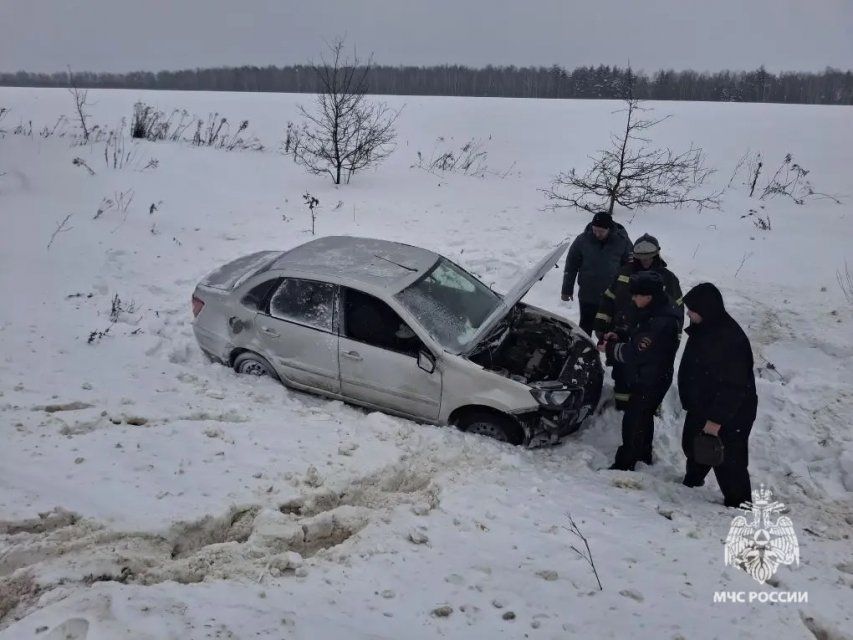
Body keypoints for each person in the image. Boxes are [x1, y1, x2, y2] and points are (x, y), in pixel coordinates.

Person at [678, 283, 757, 508]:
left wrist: (716, 420)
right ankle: (692, 480)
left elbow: (734, 386)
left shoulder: (730, 339)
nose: (688, 314)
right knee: (695, 445)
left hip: (731, 412)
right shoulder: (704, 328)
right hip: (702, 405)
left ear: (706, 309)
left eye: (692, 310)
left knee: (730, 459)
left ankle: (739, 503)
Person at [598, 271, 680, 470]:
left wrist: (609, 348)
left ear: (648, 296)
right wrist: (618, 334)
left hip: (652, 378)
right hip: (649, 374)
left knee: (634, 421)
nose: (633, 298)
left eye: (636, 295)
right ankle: (643, 455)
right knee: (643, 417)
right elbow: (637, 331)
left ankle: (625, 463)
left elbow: (634, 352)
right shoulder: (653, 308)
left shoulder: (661, 321)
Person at [594, 234, 684, 410]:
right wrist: (601, 326)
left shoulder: (668, 279)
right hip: (623, 331)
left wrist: (673, 340)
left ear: (656, 255)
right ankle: (621, 406)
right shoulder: (624, 273)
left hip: (651, 337)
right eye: (640, 258)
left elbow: (678, 310)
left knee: (647, 375)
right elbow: (609, 299)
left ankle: (646, 408)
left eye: (648, 258)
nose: (644, 262)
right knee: (621, 370)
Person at [561, 212, 632, 336]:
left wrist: (627, 292)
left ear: (609, 229)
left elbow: (630, 267)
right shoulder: (582, 240)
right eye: (595, 230)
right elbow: (571, 266)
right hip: (587, 294)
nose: (597, 234)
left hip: (610, 297)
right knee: (584, 330)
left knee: (606, 332)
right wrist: (567, 289)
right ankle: (582, 354)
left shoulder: (622, 242)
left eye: (601, 231)